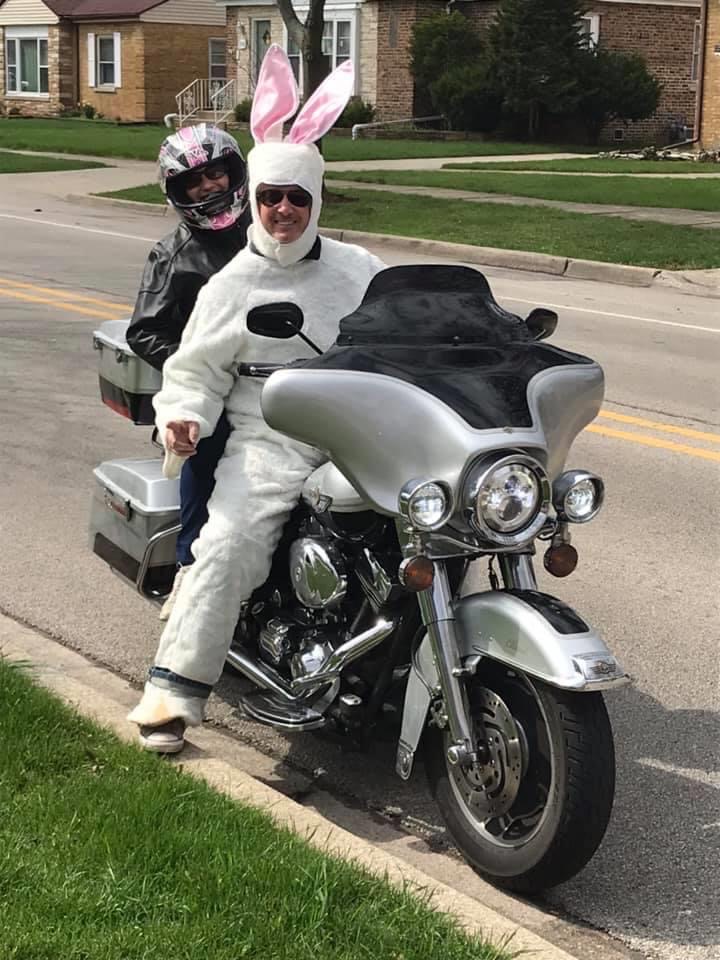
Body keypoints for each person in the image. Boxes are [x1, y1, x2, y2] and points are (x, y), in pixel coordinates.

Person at [127, 46, 386, 753]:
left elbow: (409, 326)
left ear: (316, 199)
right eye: (272, 196)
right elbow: (195, 369)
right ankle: (173, 692)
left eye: (297, 197)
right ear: (257, 198)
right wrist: (182, 418)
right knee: (227, 542)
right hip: (274, 436)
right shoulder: (231, 284)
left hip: (364, 432)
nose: (283, 210)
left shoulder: (360, 269)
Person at [126, 124, 251, 620]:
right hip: (209, 389)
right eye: (193, 181)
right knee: (205, 445)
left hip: (274, 379)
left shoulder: (266, 231)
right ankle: (189, 567)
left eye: (215, 173)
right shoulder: (173, 254)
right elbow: (145, 330)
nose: (208, 186)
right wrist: (203, 369)